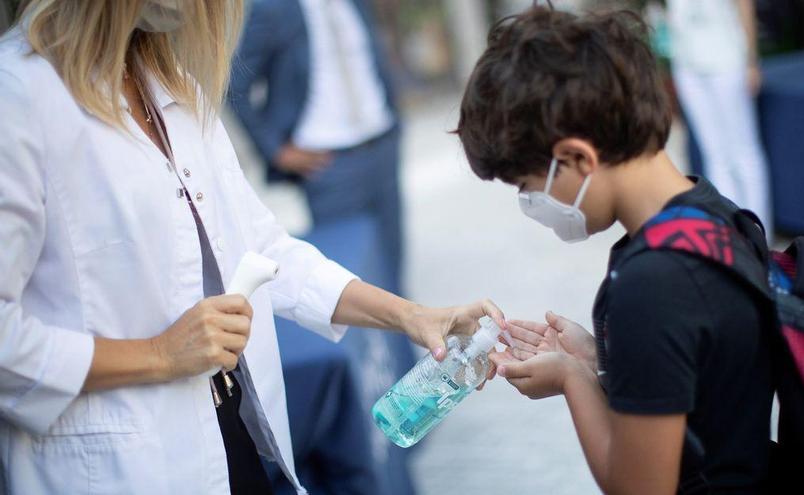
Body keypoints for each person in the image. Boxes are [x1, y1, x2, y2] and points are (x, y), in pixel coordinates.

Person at [0, 1, 505, 494]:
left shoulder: (169, 82)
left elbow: (263, 249)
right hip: (115, 466)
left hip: (232, 437)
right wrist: (158, 354)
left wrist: (412, 316)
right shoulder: (17, 97)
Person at [456, 7, 774, 494]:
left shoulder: (652, 285)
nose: (530, 204)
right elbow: (699, 372)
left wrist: (572, 380)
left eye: (527, 185)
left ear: (578, 158)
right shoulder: (714, 212)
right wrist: (602, 360)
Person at [228, 0, 404, 295]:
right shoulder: (273, 8)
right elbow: (234, 85)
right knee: (349, 288)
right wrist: (276, 151)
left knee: (395, 275)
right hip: (328, 167)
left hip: (381, 145)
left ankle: (414, 341)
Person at [667, 0, 773, 237]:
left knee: (744, 152)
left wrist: (751, 60)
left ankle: (760, 235)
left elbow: (745, 5)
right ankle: (733, 233)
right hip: (687, 63)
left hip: (727, 58)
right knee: (715, 155)